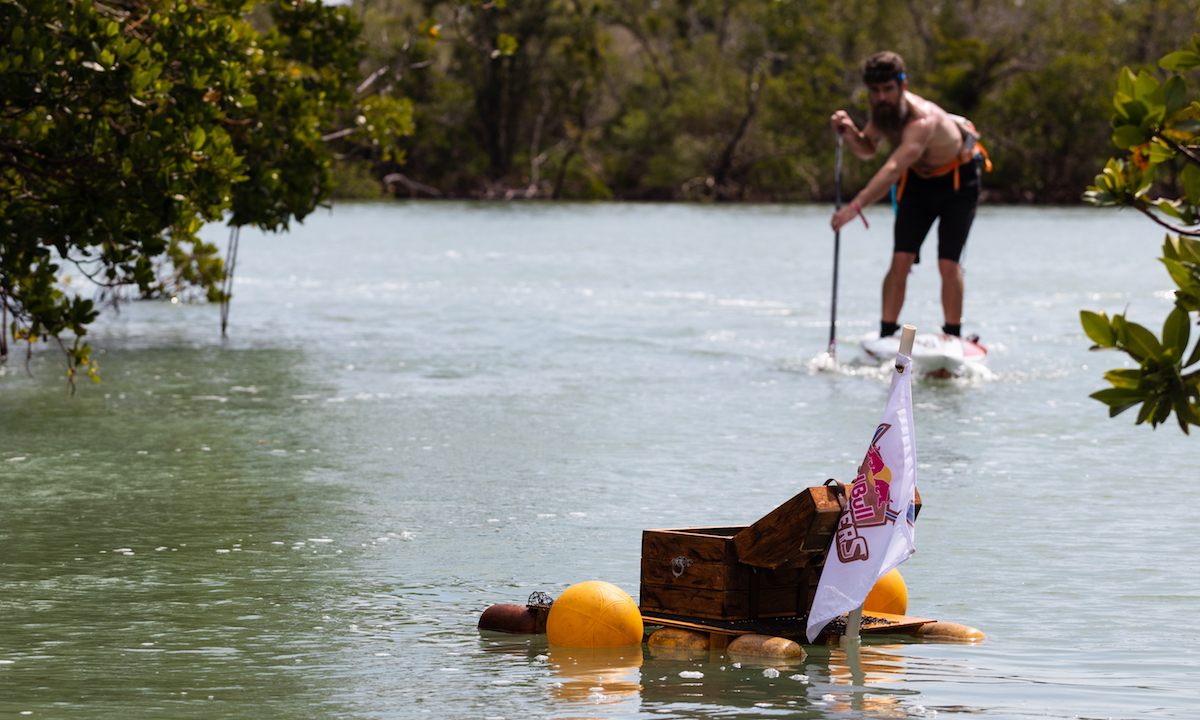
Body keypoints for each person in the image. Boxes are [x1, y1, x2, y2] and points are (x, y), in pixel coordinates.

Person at [829, 51, 989, 338]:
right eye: (875, 91)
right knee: (900, 259)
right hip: (918, 184)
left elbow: (892, 168)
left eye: (887, 89)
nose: (881, 97)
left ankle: (953, 335)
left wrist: (855, 207)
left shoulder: (921, 120)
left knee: (947, 263)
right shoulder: (883, 113)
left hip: (958, 183)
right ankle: (886, 334)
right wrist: (851, 132)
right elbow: (868, 149)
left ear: (902, 85)